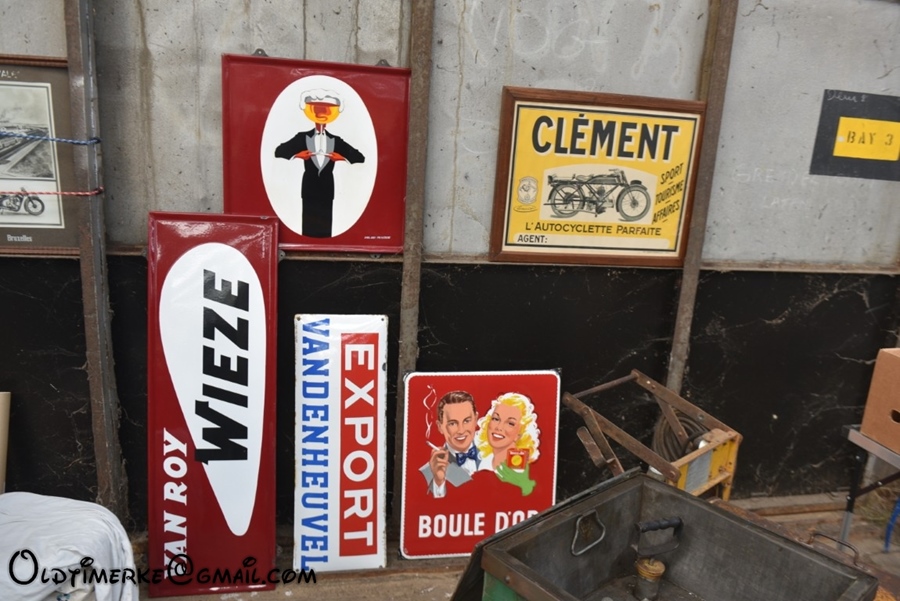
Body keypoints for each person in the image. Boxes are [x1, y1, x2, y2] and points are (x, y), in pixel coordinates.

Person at [274, 88, 365, 238]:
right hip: (309, 188)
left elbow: (359, 157)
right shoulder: (302, 137)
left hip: (327, 188)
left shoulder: (335, 140)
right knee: (308, 225)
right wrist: (297, 155)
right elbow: (279, 151)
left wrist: (341, 158)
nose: (322, 113)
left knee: (325, 226)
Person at [420, 390, 483, 498]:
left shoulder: (493, 456)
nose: (461, 430)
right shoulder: (427, 472)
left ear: (476, 419)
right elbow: (427, 505)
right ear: (440, 426)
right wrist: (438, 482)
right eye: (452, 423)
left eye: (467, 421)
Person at [475, 392, 540, 495]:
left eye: (510, 423)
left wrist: (525, 486)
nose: (499, 427)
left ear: (520, 433)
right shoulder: (481, 462)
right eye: (496, 419)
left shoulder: (519, 470)